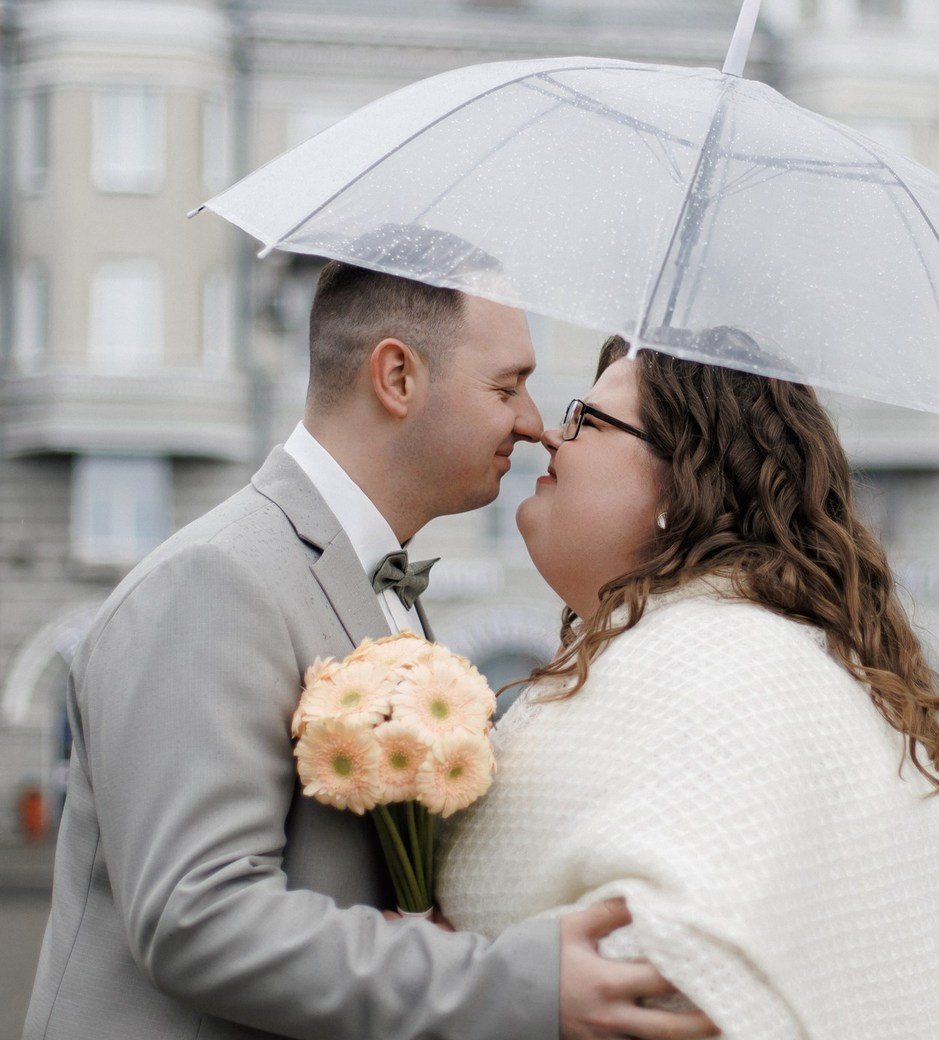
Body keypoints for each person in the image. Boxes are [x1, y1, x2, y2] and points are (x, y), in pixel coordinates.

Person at [26, 262, 717, 1040]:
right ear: (396, 377)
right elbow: (199, 919)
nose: (534, 423)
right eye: (506, 387)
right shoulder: (215, 579)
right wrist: (506, 981)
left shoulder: (383, 588)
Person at [438, 333, 939, 1039]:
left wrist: (447, 973)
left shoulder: (724, 661)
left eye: (587, 419)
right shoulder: (736, 647)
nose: (550, 433)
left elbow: (686, 973)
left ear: (683, 478)